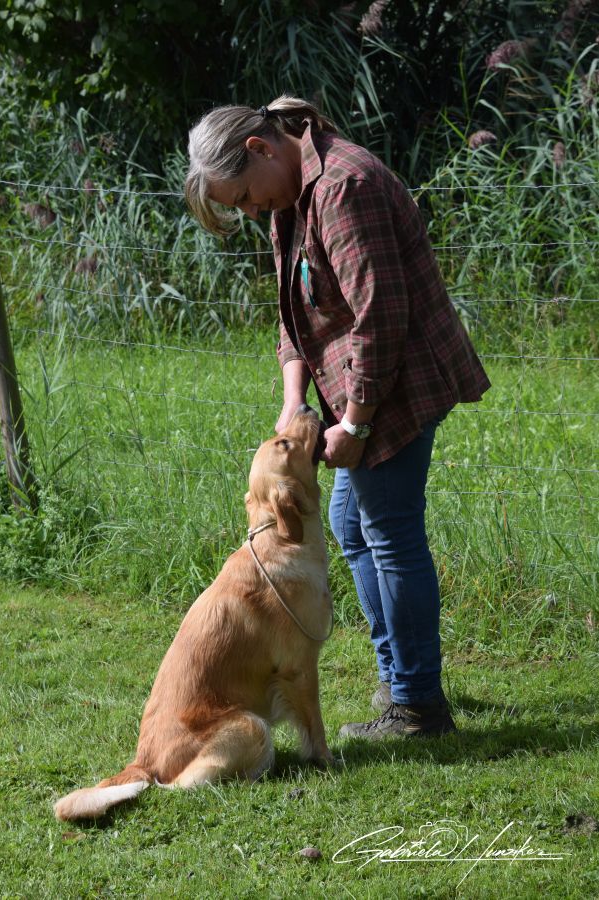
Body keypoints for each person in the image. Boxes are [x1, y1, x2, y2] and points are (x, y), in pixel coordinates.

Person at [185, 95, 491, 740]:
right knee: (353, 528)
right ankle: (402, 678)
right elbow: (292, 312)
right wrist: (295, 401)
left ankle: (416, 706)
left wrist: (353, 422)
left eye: (242, 197)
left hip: (395, 384)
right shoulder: (290, 194)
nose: (249, 210)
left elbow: (380, 315)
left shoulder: (344, 186)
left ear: (261, 149)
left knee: (388, 531)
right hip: (350, 388)